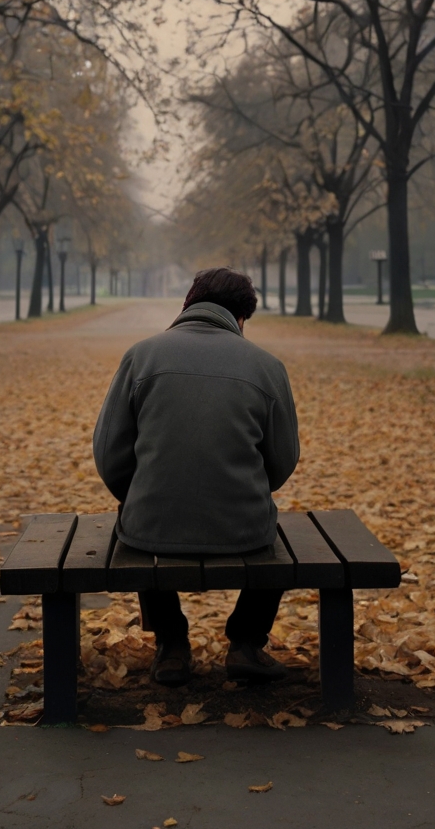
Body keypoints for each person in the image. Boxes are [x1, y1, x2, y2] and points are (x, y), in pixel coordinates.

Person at [92, 267, 300, 686]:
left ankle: (170, 643)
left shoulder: (141, 356)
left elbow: (108, 452)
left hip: (150, 527)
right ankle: (246, 641)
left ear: (188, 304)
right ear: (242, 319)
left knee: (140, 511)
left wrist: (138, 493)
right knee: (274, 523)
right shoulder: (267, 367)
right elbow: (283, 461)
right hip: (242, 528)